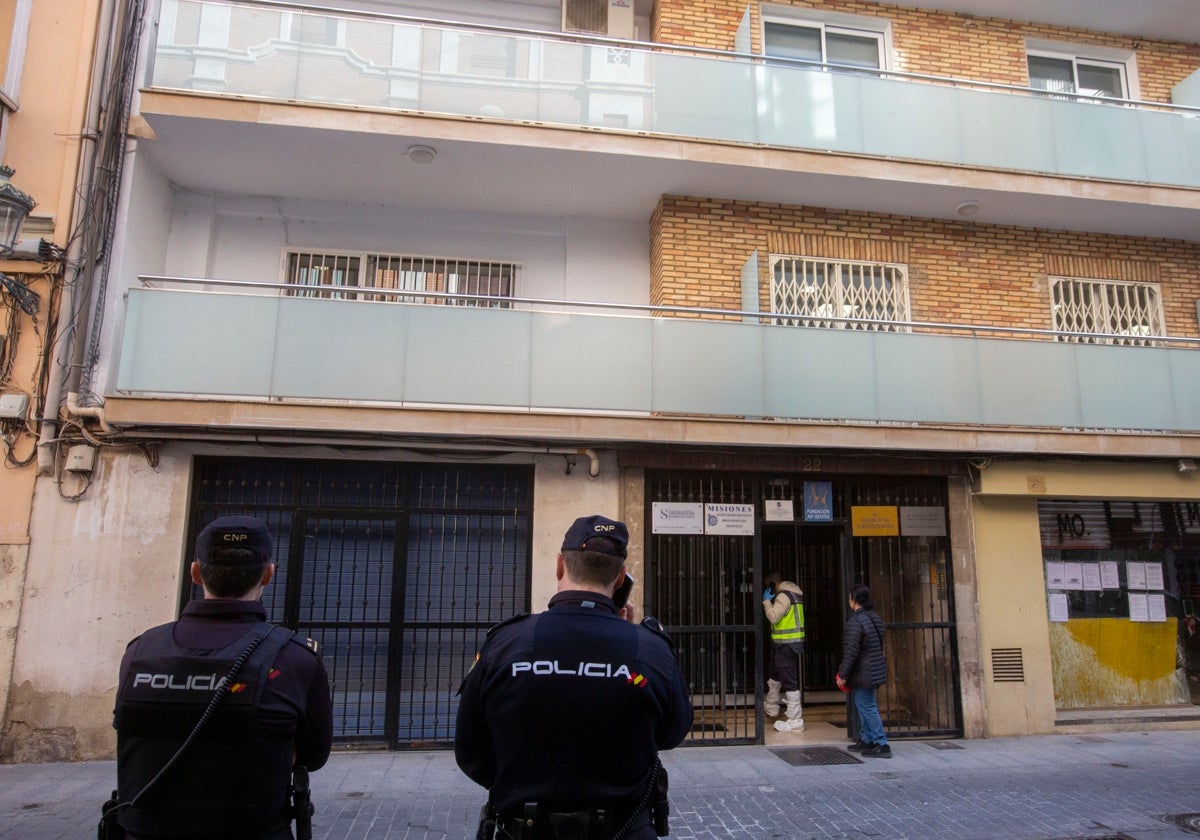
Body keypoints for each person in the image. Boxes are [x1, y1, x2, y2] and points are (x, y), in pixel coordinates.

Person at [455, 514, 693, 840]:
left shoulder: (507, 643)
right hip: (624, 829)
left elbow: (471, 751)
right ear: (621, 577)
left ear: (559, 566)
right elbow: (672, 733)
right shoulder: (651, 649)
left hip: (524, 831)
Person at [112, 515, 333, 839]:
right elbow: (313, 756)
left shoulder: (140, 651)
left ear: (196, 573)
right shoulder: (296, 659)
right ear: (269, 574)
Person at [835, 583, 890, 758]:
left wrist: (843, 674)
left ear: (854, 600)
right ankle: (867, 739)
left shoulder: (856, 621)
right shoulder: (874, 617)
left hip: (863, 671)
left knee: (867, 706)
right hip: (874, 667)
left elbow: (851, 650)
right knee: (863, 704)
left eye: (850, 597)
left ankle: (881, 743)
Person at [761, 570, 805, 732]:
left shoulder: (784, 596)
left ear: (773, 584)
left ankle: (795, 720)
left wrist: (766, 602)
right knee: (775, 674)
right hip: (786, 644)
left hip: (786, 645)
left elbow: (774, 617)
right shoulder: (794, 595)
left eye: (769, 586)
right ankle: (772, 706)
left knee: (789, 681)